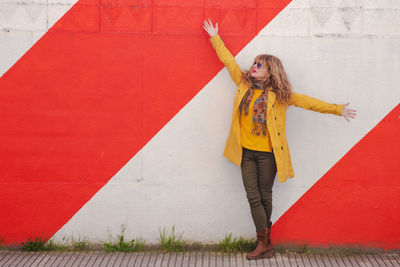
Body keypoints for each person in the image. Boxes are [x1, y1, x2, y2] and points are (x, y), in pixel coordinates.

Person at [202, 19, 356, 260]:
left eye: (258, 64)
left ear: (269, 70)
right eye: (253, 63)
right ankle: (265, 243)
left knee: (265, 196)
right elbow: (228, 62)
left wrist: (337, 109)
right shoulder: (243, 84)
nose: (253, 67)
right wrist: (215, 37)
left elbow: (309, 102)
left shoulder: (281, 96)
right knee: (253, 196)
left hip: (268, 155)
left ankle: (264, 244)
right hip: (245, 151)